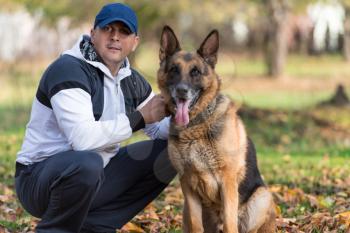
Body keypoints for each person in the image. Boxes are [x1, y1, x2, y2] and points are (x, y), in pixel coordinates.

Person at [14, 3, 176, 233]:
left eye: (124, 32)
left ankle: (96, 227)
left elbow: (159, 129)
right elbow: (82, 140)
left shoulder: (131, 79)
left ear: (135, 42)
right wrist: (140, 116)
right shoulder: (69, 69)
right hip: (38, 180)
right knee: (87, 162)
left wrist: (183, 114)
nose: (115, 37)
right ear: (93, 34)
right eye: (108, 29)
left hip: (94, 174)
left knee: (171, 152)